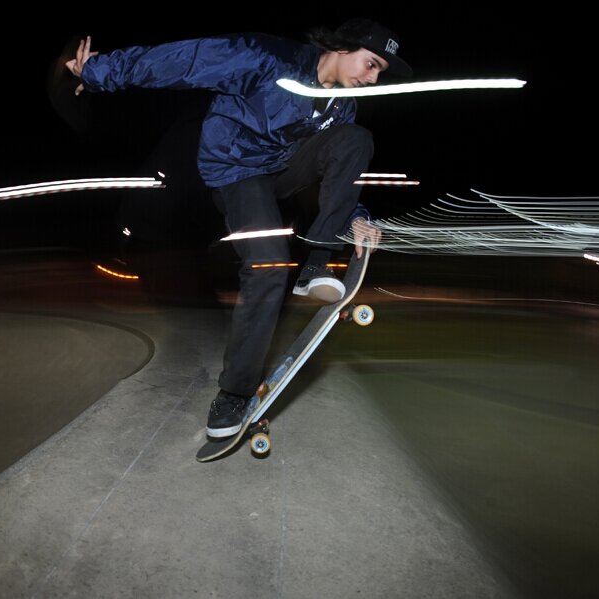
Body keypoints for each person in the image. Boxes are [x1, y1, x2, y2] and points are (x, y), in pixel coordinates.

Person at [65, 19, 410, 438]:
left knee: (355, 139)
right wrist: (101, 72)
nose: (372, 79)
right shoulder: (266, 57)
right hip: (235, 169)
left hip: (282, 168)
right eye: (371, 64)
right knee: (267, 264)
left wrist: (355, 217)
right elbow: (186, 60)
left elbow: (337, 171)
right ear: (343, 47)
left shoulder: (343, 104)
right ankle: (233, 394)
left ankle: (315, 267)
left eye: (379, 73)